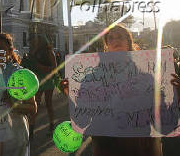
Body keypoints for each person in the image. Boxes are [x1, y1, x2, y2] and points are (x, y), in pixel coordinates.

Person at [60, 24, 162, 156]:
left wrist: (176, 93)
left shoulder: (147, 76)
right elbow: (82, 120)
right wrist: (70, 96)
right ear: (106, 45)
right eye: (111, 38)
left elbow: (161, 113)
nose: (115, 41)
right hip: (106, 146)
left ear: (129, 42)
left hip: (139, 145)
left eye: (120, 37)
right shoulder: (93, 79)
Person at [0, 33, 37, 156]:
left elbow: (33, 108)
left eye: (1, 49)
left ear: (10, 51)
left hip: (14, 135)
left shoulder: (20, 75)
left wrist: (12, 104)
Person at [23, 34, 57, 140]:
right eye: (33, 42)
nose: (33, 43)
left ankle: (52, 127)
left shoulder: (49, 52)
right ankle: (31, 131)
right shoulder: (33, 52)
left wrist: (42, 67)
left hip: (48, 80)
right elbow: (29, 65)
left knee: (48, 103)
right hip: (37, 80)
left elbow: (55, 67)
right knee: (35, 104)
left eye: (36, 41)